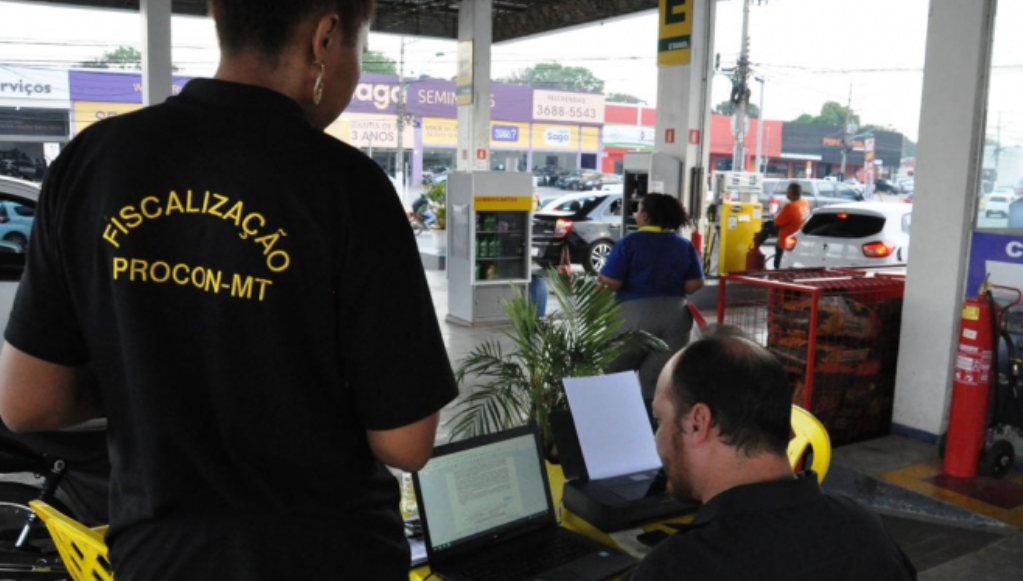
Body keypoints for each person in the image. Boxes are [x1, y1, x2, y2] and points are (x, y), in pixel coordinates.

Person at [0, 1, 459, 579]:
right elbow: (406, 443)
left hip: (161, 559)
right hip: (330, 556)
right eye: (360, 50)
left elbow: (27, 402)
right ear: (325, 37)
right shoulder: (350, 187)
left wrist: (149, 371)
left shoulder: (93, 162)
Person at [630, 329, 917, 581]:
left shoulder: (674, 568)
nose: (658, 438)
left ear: (698, 422)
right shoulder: (867, 532)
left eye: (660, 421)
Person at [597, 193, 704, 402]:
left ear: (645, 216)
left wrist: (599, 280)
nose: (636, 214)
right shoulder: (683, 245)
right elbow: (694, 284)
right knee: (658, 382)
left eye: (638, 210)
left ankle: (620, 426)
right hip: (676, 318)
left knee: (616, 375)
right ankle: (655, 427)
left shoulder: (629, 243)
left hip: (633, 317)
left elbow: (612, 282)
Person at [772, 181, 811, 269]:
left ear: (790, 193)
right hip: (799, 239)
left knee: (778, 264)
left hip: (787, 242)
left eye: (787, 191)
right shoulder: (804, 202)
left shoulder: (790, 206)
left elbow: (777, 223)